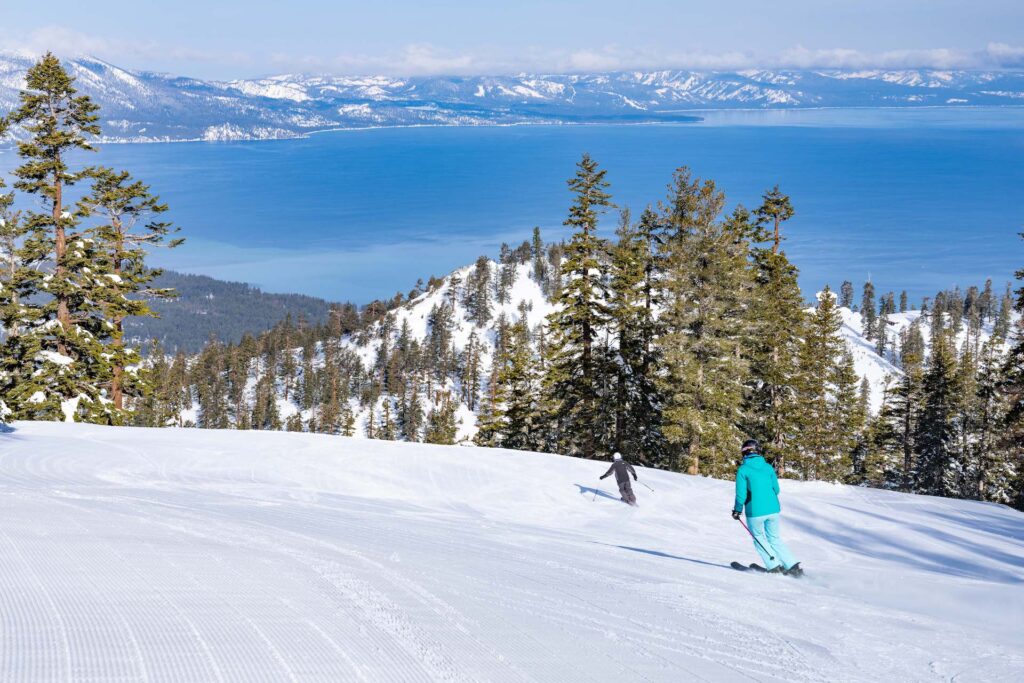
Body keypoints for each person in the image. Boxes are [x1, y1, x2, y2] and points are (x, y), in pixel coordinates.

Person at [731, 439, 803, 577]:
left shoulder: (743, 469)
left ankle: (773, 565)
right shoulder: (768, 467)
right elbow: (776, 489)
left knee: (758, 537)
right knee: (774, 538)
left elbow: (741, 494)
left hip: (755, 512)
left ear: (744, 452)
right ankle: (792, 565)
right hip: (773, 510)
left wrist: (737, 510)